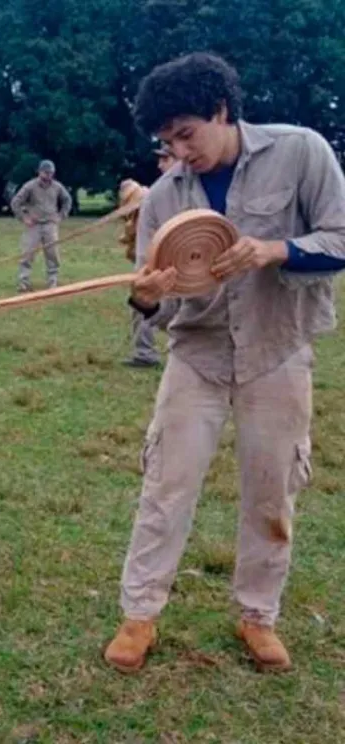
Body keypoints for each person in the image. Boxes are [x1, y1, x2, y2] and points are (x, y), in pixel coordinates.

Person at [104, 52, 345, 675]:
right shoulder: (162, 195)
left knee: (273, 489)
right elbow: (149, 301)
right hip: (199, 354)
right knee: (167, 482)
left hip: (278, 349)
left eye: (187, 133)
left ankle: (257, 617)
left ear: (222, 110)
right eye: (167, 142)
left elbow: (340, 240)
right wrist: (145, 296)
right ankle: (140, 615)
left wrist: (273, 249)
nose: (181, 152)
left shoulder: (303, 151)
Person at [122, 146, 179, 368]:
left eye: (165, 158)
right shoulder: (157, 195)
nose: (159, 164)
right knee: (142, 304)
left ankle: (149, 353)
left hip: (179, 267)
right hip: (154, 265)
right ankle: (145, 352)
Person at [10, 160, 72, 291]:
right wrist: (24, 218)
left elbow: (67, 200)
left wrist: (61, 216)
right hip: (34, 225)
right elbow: (15, 202)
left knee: (52, 254)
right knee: (28, 253)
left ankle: (52, 281)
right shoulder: (30, 186)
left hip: (50, 224)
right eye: (46, 172)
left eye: (51, 173)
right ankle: (23, 281)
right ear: (39, 172)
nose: (48, 175)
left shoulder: (57, 187)